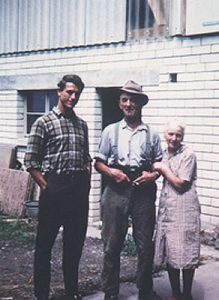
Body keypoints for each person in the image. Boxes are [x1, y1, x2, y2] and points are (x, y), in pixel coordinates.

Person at [24, 74, 92, 300]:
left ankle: (71, 293)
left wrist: (86, 183)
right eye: (69, 92)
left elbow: (86, 158)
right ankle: (41, 295)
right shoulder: (43, 123)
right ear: (59, 92)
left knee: (73, 248)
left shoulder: (82, 125)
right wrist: (46, 186)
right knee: (44, 247)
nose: (73, 97)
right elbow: (31, 161)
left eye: (77, 94)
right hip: (54, 189)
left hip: (78, 192)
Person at [94, 80, 162, 300]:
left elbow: (158, 164)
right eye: (125, 99)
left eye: (133, 99)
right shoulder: (110, 131)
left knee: (145, 246)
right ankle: (111, 293)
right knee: (111, 244)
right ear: (120, 104)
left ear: (141, 103)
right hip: (115, 189)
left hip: (143, 191)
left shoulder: (152, 134)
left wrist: (152, 175)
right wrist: (112, 173)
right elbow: (98, 163)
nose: (129, 103)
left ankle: (144, 291)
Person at [153, 119, 201, 300]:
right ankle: (175, 294)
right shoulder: (163, 153)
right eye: (170, 134)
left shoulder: (188, 154)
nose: (173, 138)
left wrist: (163, 168)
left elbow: (181, 183)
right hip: (168, 209)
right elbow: (153, 168)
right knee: (171, 252)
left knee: (186, 252)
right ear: (165, 135)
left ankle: (186, 294)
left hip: (185, 208)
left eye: (178, 135)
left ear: (183, 137)